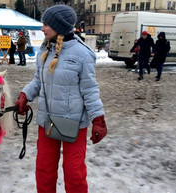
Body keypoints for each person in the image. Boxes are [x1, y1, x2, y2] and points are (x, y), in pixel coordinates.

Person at [15, 5, 107, 193]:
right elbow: (38, 81)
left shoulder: (83, 54)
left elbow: (90, 90)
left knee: (74, 174)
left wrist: (98, 119)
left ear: (59, 26)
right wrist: (25, 94)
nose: (42, 28)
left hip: (74, 123)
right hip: (47, 121)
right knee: (44, 170)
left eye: (46, 24)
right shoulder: (44, 51)